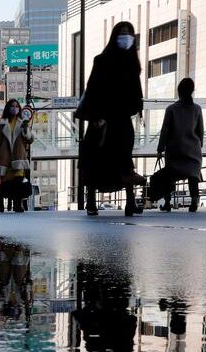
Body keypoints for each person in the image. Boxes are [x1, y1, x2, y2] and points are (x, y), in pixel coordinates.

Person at [75, 21, 144, 216]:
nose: (126, 37)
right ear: (115, 36)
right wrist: (95, 116)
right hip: (103, 118)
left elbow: (136, 92)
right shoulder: (102, 60)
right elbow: (92, 89)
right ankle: (91, 201)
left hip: (122, 118)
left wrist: (137, 107)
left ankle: (130, 201)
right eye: (123, 33)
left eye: (130, 33)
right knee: (96, 160)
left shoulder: (132, 63)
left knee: (124, 157)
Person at [155, 78, 204, 213]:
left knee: (169, 175)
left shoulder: (171, 109)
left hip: (175, 149)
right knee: (193, 175)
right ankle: (194, 200)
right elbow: (200, 131)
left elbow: (165, 130)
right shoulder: (197, 109)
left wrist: (160, 149)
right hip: (193, 149)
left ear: (179, 92)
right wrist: (199, 145)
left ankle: (168, 202)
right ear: (192, 91)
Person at [0, 99, 34, 213]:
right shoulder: (2, 123)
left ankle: (17, 204)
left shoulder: (23, 122)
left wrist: (26, 130)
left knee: (18, 181)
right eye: (12, 106)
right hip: (5, 156)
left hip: (19, 156)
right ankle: (1, 199)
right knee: (6, 182)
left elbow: (30, 139)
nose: (14, 108)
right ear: (8, 108)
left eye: (16, 106)